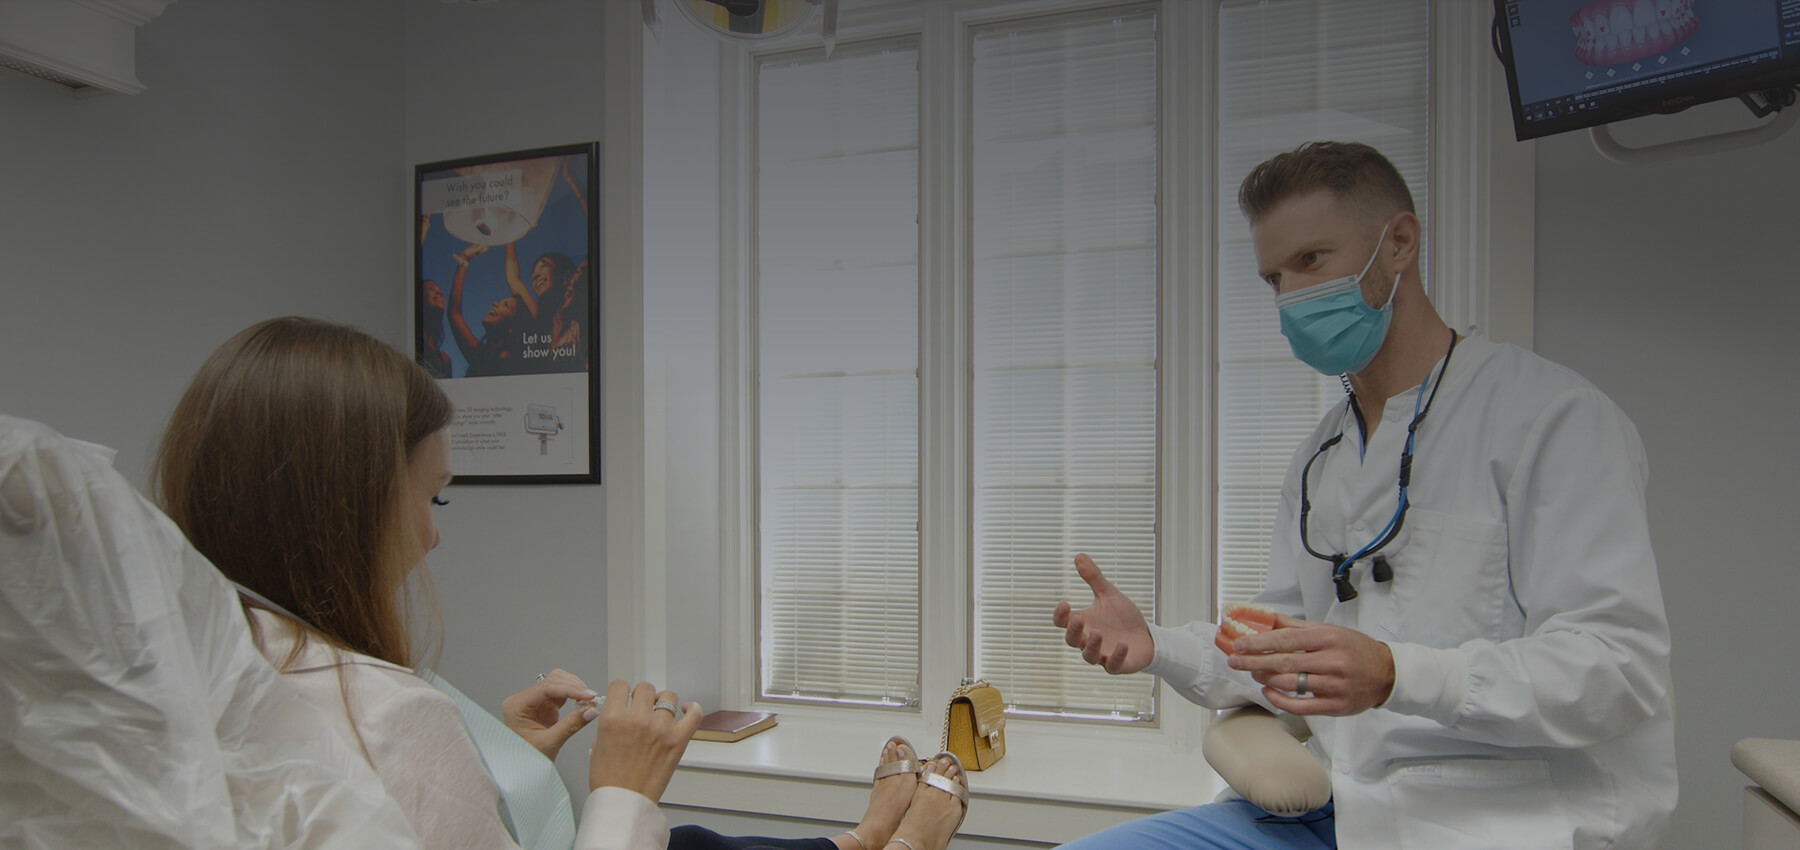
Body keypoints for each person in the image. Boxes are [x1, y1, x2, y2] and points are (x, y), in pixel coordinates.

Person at [1050, 142, 1675, 849]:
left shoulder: (1552, 421)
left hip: (1508, 819)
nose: (1290, 297)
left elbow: (1618, 669)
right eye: (1273, 277)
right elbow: (1278, 645)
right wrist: (1154, 644)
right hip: (1342, 811)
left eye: (1312, 261)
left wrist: (1398, 674)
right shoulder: (1322, 457)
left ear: (1399, 243)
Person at [152, 317, 970, 850]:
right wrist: (618, 793)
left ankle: (865, 841)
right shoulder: (392, 724)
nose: (434, 535)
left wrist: (495, 756)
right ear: (339, 511)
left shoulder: (193, 673)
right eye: (430, 498)